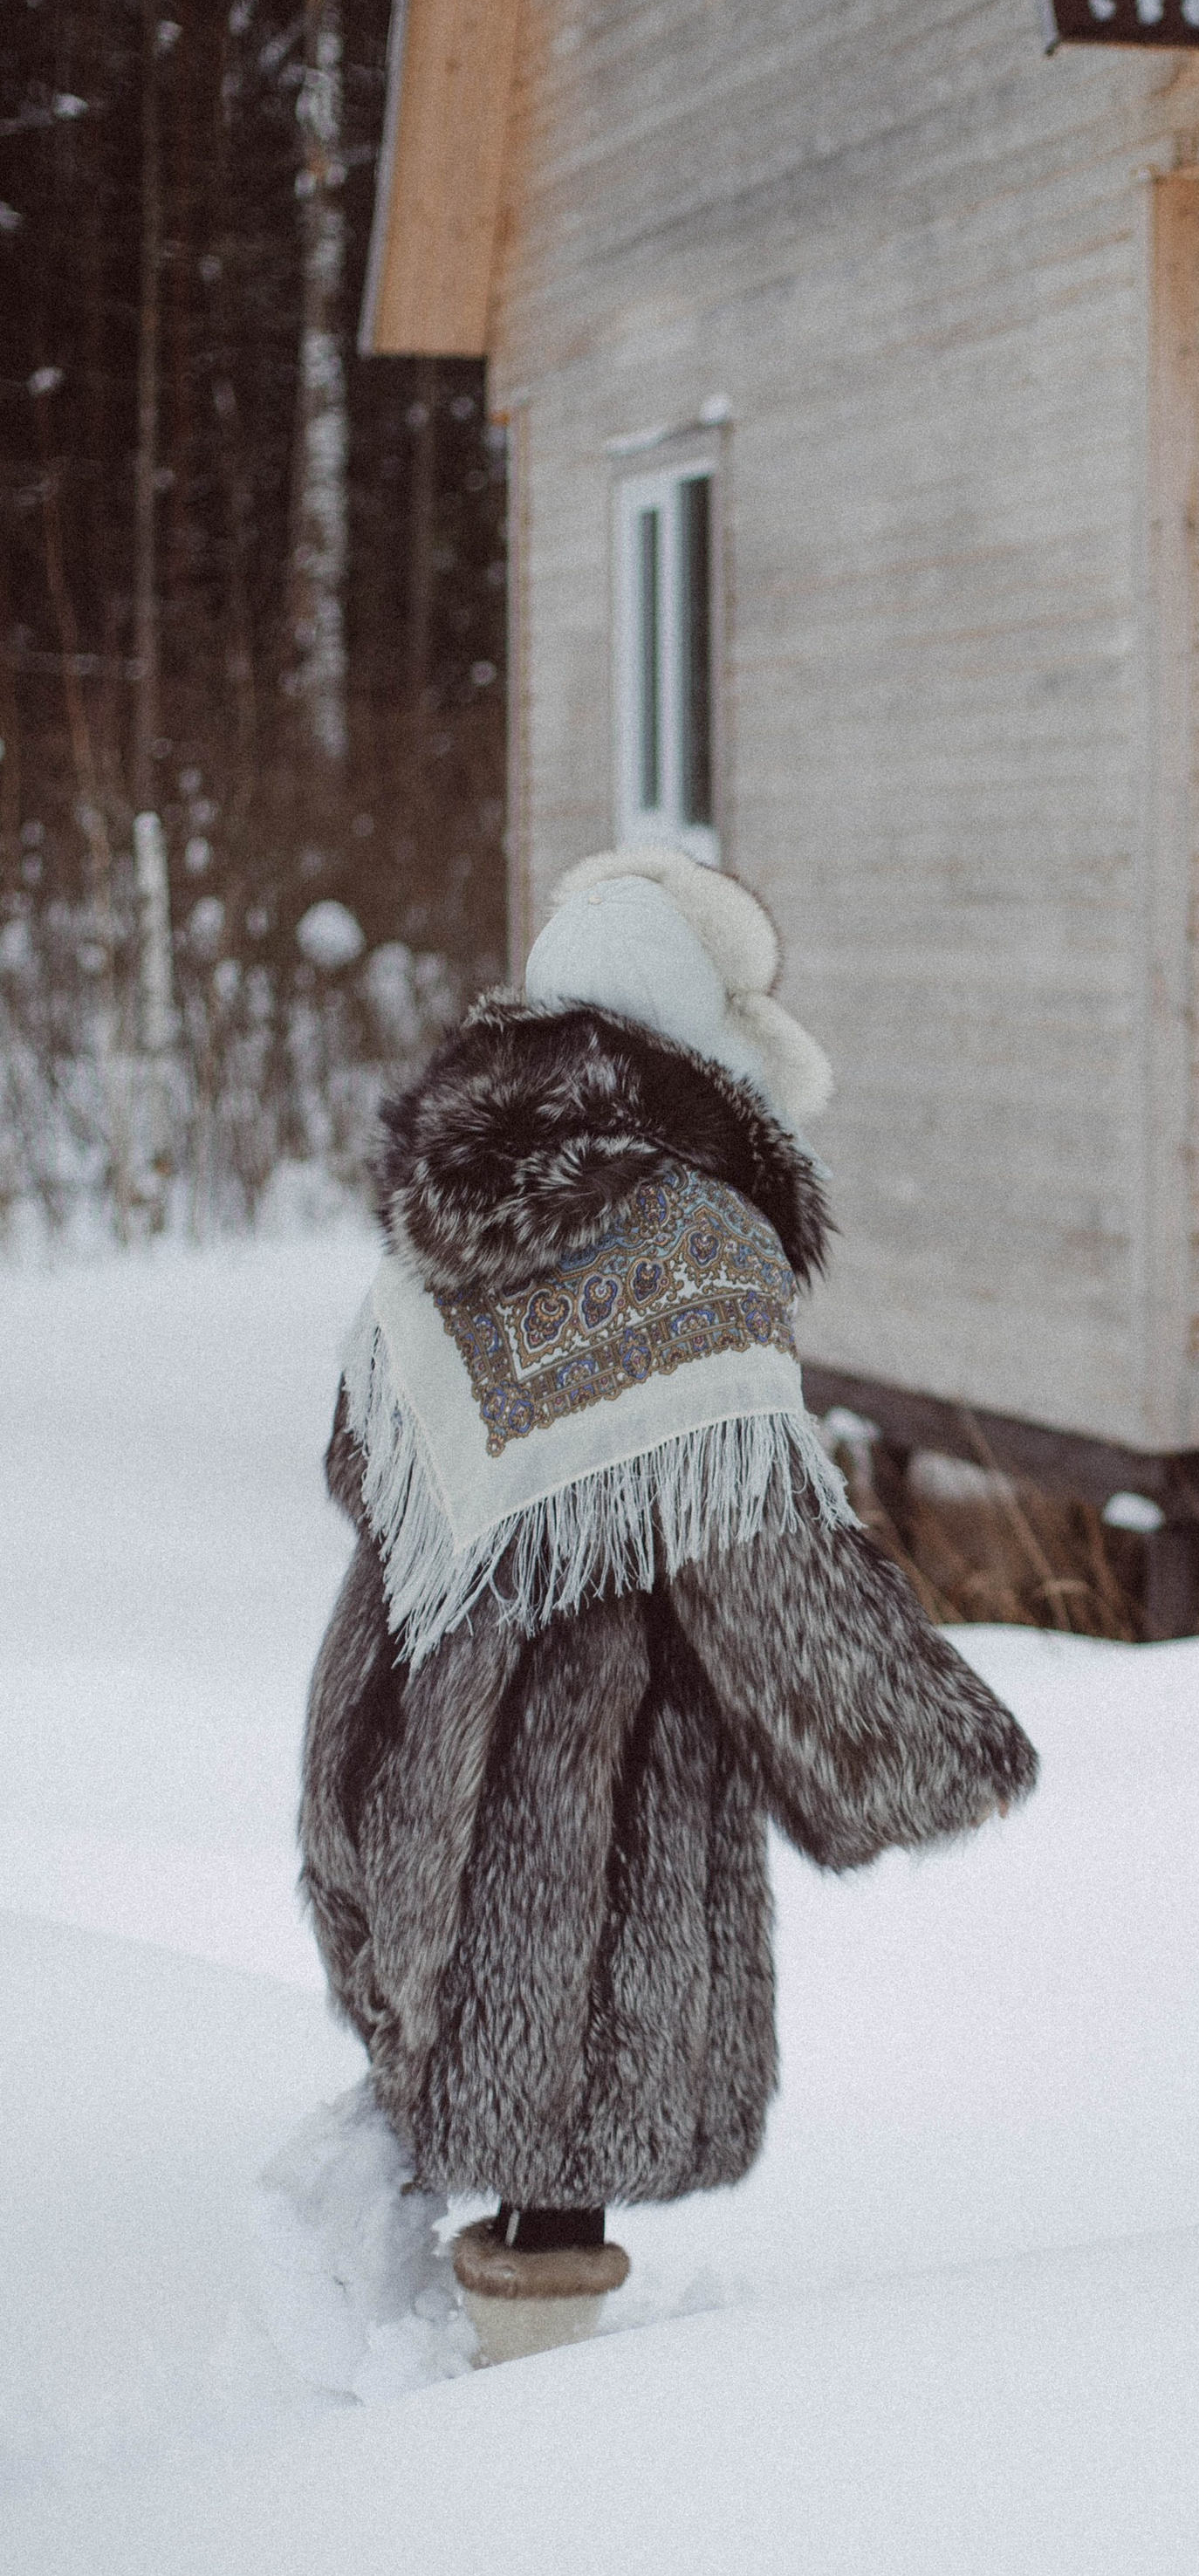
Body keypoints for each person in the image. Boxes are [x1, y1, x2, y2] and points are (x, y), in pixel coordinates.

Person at [299, 847, 1038, 2362]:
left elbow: (360, 1465)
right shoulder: (690, 1242)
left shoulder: (435, 1236)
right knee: (566, 2105)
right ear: (695, 1044)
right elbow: (758, 1547)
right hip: (594, 1780)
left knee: (488, 2076)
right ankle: (540, 2417)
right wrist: (921, 1745)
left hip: (413, 1735)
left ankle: (450, 2346)